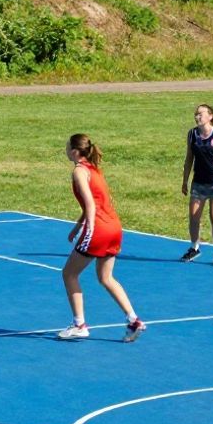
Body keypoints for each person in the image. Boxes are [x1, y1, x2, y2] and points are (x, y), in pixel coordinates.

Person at [57, 133, 146, 342]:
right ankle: (134, 320)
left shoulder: (79, 171)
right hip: (113, 227)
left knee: (69, 274)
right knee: (106, 278)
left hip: (98, 228)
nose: (65, 150)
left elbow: (90, 203)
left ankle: (79, 325)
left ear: (75, 151)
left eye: (67, 147)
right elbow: (97, 201)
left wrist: (87, 228)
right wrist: (77, 226)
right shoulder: (93, 169)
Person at [180, 104, 213, 267]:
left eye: (200, 114)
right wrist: (185, 181)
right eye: (196, 114)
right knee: (194, 218)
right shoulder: (192, 134)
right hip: (199, 183)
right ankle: (194, 248)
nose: (197, 116)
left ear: (210, 116)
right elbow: (189, 159)